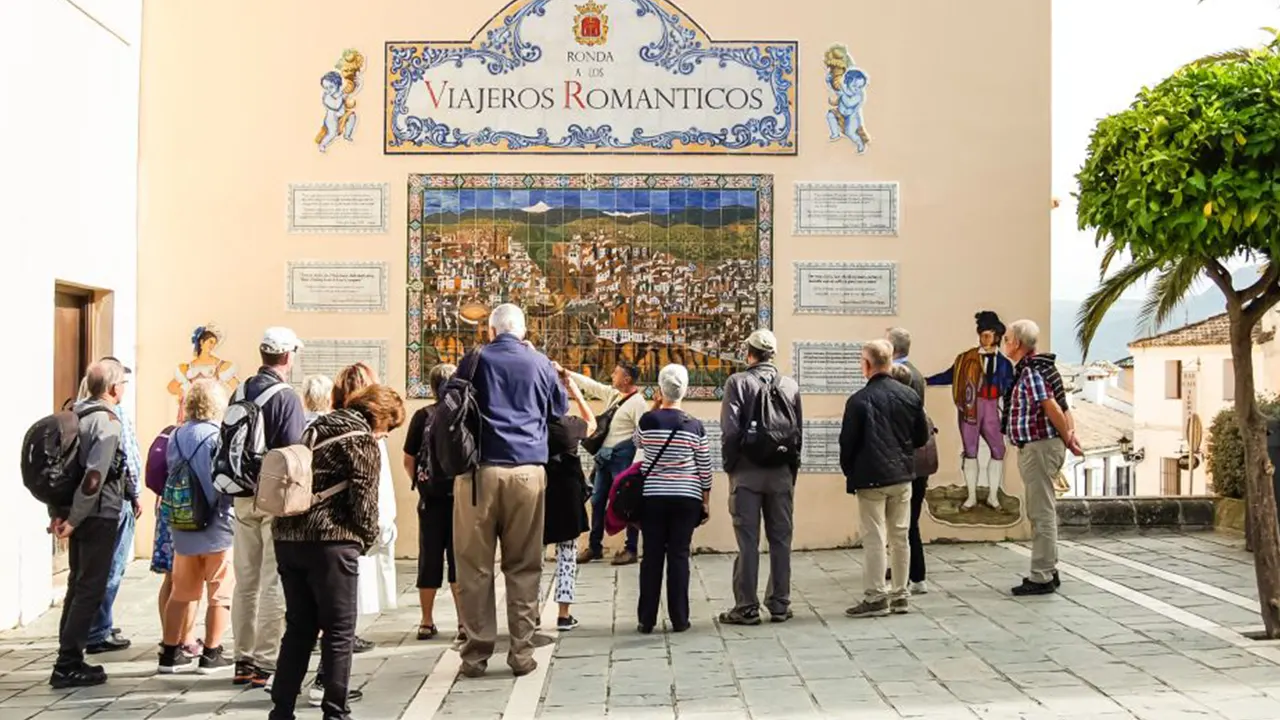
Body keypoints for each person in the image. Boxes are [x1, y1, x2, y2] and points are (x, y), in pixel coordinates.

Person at [269, 384, 405, 720]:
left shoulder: (314, 429)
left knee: (299, 627)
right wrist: (364, 539)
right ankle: (335, 711)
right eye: (388, 428)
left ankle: (282, 709)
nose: (385, 436)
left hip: (288, 538)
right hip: (332, 544)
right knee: (339, 630)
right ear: (379, 415)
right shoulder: (360, 440)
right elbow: (364, 503)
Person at [451, 304, 567, 678]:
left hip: (479, 473)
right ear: (523, 330)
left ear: (490, 330)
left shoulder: (474, 360)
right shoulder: (539, 362)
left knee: (474, 568)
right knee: (524, 564)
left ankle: (475, 654)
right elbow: (558, 410)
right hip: (528, 472)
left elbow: (450, 404)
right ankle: (521, 652)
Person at [232, 328, 306, 688]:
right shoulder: (286, 397)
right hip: (273, 496)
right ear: (288, 357)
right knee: (272, 577)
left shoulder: (240, 389)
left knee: (245, 580)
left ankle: (242, 659)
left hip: (241, 492)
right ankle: (264, 661)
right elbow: (294, 453)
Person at [48, 360, 129, 688]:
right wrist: (76, 517)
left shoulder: (74, 416)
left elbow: (59, 473)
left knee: (76, 586)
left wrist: (61, 514)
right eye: (122, 382)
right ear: (112, 389)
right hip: (96, 516)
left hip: (75, 513)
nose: (124, 387)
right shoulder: (106, 422)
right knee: (90, 589)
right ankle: (67, 663)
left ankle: (68, 657)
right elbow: (94, 477)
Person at [718, 330, 803, 626]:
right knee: (781, 540)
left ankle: (746, 606)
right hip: (780, 473)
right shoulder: (790, 385)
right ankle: (780, 603)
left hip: (747, 473)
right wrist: (791, 472)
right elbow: (797, 434)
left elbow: (730, 431)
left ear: (748, 353)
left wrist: (731, 466)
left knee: (748, 541)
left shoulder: (738, 383)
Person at [839, 340, 928, 619]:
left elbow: (847, 444)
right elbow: (921, 437)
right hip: (902, 476)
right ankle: (901, 594)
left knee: (875, 538)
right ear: (890, 362)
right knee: (900, 536)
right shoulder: (909, 397)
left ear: (866, 365)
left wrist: (850, 470)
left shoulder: (858, 401)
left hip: (870, 478)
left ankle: (876, 596)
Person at [158, 379, 236, 674]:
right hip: (215, 523)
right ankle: (212, 652)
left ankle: (170, 652)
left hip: (183, 522)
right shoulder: (217, 437)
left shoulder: (176, 435)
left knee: (182, 591)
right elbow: (220, 483)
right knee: (220, 591)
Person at [1001, 320, 1082, 596]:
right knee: (1041, 509)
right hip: (1039, 446)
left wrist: (1068, 440)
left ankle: (1042, 575)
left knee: (1040, 511)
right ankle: (1049, 567)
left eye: (1008, 339)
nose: (1004, 343)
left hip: (1038, 447)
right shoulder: (1042, 368)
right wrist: (1069, 435)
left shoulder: (1032, 372)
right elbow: (1063, 405)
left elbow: (1052, 408)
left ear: (1018, 344)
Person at [634, 364, 712, 634]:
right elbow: (704, 466)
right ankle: (680, 618)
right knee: (679, 556)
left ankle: (646, 619)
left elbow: (637, 443)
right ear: (685, 389)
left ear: (660, 388)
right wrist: (706, 501)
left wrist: (653, 408)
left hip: (653, 497)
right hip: (686, 498)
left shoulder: (649, 420)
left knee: (652, 556)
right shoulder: (695, 426)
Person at [80, 358, 141, 655]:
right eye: (124, 383)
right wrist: (136, 493)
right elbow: (126, 458)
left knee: (86, 572)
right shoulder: (114, 416)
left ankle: (95, 625)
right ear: (114, 387)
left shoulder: (78, 410)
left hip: (86, 507)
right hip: (111, 502)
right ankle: (98, 630)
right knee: (110, 568)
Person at [927, 312, 1015, 510]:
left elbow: (1010, 388)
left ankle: (993, 496)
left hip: (992, 407)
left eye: (988, 335)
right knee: (970, 450)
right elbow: (950, 375)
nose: (984, 339)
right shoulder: (965, 359)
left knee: (998, 450)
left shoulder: (1004, 364)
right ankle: (972, 496)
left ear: (997, 337)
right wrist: (927, 381)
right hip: (970, 408)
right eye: (982, 334)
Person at [402, 363, 461, 642]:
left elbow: (408, 458)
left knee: (429, 558)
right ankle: (463, 622)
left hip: (431, 498)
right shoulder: (462, 414)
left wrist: (422, 485)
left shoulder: (422, 415)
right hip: (460, 498)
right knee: (459, 559)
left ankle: (426, 621)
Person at [566, 360, 646, 565]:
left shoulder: (638, 404)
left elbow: (642, 437)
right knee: (597, 500)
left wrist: (637, 467)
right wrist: (567, 373)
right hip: (604, 459)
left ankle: (631, 549)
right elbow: (592, 385)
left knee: (627, 502)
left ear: (626, 379)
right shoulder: (614, 396)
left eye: (616, 373)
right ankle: (595, 546)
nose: (612, 375)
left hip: (623, 460)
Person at [546, 367, 596, 631]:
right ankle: (564, 614)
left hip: (540, 495)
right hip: (567, 497)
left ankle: (529, 613)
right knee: (567, 554)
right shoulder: (570, 427)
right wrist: (575, 389)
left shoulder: (534, 424)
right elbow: (593, 422)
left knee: (532, 556)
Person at [887, 328, 931, 594]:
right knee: (904, 519)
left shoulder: (901, 376)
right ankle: (904, 567)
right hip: (912, 455)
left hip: (906, 457)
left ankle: (916, 575)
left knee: (907, 520)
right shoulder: (916, 372)